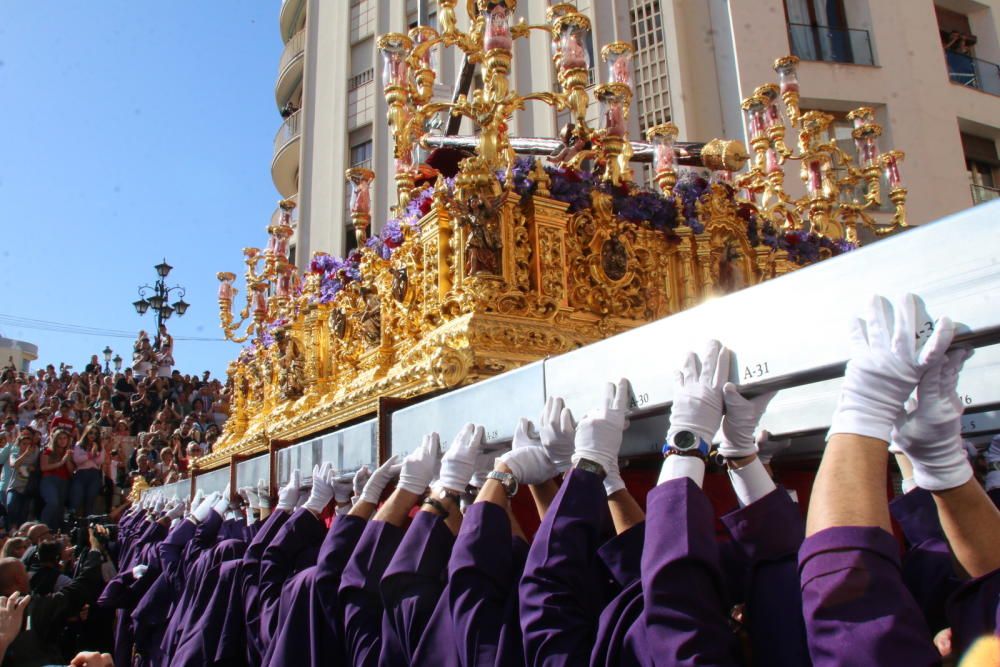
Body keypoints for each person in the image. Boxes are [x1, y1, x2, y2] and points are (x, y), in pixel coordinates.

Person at [0, 526, 106, 667]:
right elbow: (79, 589)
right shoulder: (30, 607)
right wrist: (95, 550)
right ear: (19, 579)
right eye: (25, 573)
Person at [39, 430, 74, 530]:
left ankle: (55, 531)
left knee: (59, 507)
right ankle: (42, 528)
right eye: (60, 438)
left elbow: (71, 472)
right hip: (49, 480)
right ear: (55, 439)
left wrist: (67, 459)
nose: (62, 441)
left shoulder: (69, 452)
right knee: (52, 502)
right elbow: (43, 467)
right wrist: (60, 462)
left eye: (65, 438)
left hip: (64, 481)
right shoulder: (48, 451)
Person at [70, 426, 105, 518]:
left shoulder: (100, 446)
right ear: (86, 433)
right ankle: (71, 522)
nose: (93, 435)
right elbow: (77, 459)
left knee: (90, 501)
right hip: (81, 474)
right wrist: (90, 455)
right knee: (76, 499)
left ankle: (87, 526)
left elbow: (100, 461)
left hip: (94, 475)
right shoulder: (79, 444)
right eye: (91, 432)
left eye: (95, 433)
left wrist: (95, 451)